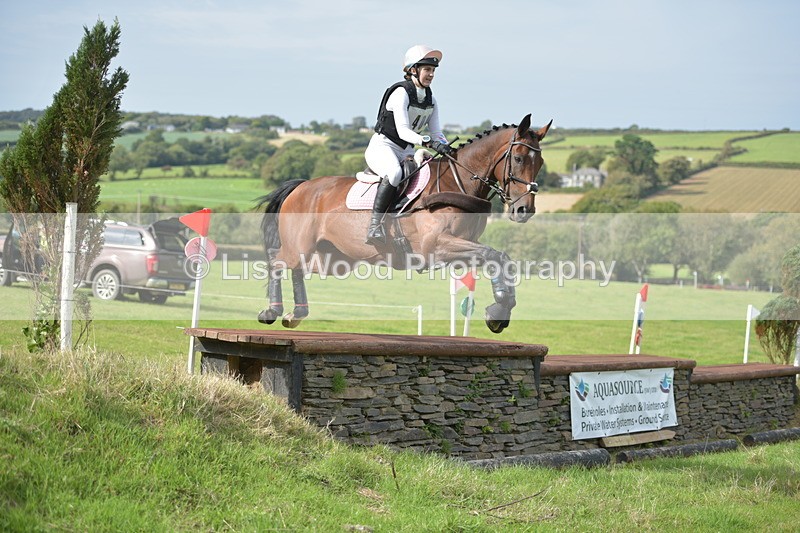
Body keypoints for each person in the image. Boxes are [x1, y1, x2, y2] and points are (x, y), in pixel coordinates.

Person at [364, 44, 453, 245]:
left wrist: (446, 146)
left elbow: (436, 132)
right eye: (427, 70)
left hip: (407, 151)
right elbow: (403, 131)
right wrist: (428, 142)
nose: (431, 75)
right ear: (413, 70)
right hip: (384, 146)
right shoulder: (400, 93)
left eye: (433, 71)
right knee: (395, 174)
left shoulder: (431, 99)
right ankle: (374, 226)